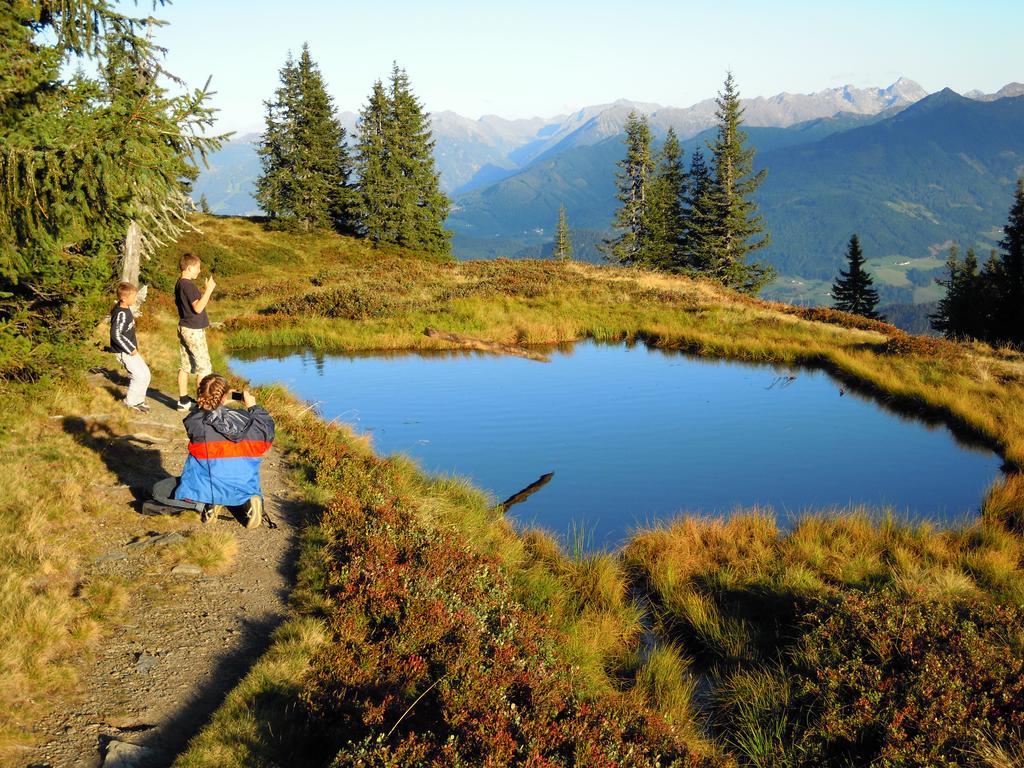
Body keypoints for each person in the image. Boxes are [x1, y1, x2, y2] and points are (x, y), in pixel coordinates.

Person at [150, 373, 274, 527]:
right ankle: (247, 502)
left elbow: (206, 414)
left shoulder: (194, 422)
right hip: (243, 485)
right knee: (237, 486)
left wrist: (218, 402)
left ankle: (206, 505)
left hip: (206, 486)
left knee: (158, 490)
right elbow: (267, 431)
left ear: (200, 395)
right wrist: (253, 407)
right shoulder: (249, 421)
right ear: (224, 397)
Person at [174, 252, 216, 411]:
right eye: (198, 268)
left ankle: (183, 401)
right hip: (193, 330)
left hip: (184, 327)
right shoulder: (188, 285)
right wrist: (209, 290)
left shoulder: (179, 283)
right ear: (190, 268)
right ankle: (203, 405)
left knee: (185, 365)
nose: (199, 271)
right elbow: (198, 308)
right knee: (204, 368)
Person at [110, 282, 152, 413]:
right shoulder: (121, 313)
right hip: (125, 351)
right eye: (133, 297)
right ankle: (129, 402)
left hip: (131, 350)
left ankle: (138, 401)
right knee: (138, 376)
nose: (135, 299)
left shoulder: (126, 309)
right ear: (124, 299)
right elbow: (115, 334)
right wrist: (130, 349)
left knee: (145, 374)